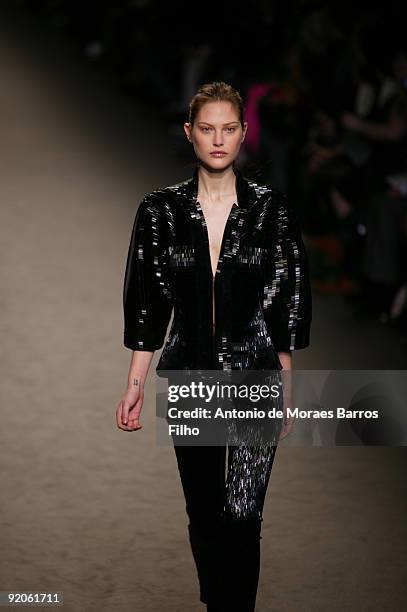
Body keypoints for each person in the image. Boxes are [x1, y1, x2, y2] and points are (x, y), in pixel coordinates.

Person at [116, 82, 312, 611]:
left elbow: (284, 302)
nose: (218, 139)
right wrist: (135, 383)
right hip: (190, 375)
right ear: (190, 133)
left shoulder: (272, 211)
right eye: (207, 129)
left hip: (256, 376)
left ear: (244, 133)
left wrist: (287, 386)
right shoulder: (160, 211)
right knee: (205, 513)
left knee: (244, 516)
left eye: (229, 128)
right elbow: (148, 302)